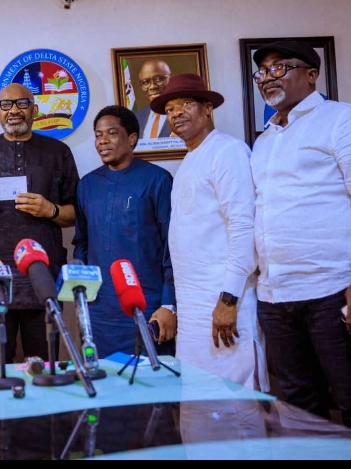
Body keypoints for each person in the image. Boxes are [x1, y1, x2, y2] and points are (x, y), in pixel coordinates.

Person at [250, 39, 351, 427]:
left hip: (331, 290)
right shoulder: (263, 141)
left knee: (348, 394)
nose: (268, 78)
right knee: (299, 405)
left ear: (312, 75)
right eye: (263, 71)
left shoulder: (339, 120)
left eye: (279, 68)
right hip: (274, 296)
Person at [150, 73, 269, 391]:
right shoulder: (190, 160)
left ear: (207, 108)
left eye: (186, 104)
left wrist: (228, 300)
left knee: (236, 399)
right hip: (193, 306)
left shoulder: (227, 151)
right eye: (170, 109)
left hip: (225, 301)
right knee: (200, 397)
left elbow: (243, 226)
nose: (176, 113)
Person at [0, 82, 80, 365]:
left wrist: (50, 209)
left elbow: (75, 214)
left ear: (34, 110)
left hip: (41, 278)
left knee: (44, 365)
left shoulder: (58, 152)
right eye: (6, 105)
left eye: (22, 103)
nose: (14, 111)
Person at [72, 105, 176, 358]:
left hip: (147, 304)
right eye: (98, 135)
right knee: (103, 376)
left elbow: (172, 247)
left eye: (112, 133)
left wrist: (169, 303)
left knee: (151, 377)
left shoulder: (157, 180)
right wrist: (82, 298)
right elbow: (82, 242)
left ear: (131, 138)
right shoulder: (87, 185)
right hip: (100, 310)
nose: (102, 141)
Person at [134, 59, 173, 140]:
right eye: (145, 82)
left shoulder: (183, 114)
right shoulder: (136, 117)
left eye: (159, 79)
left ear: (171, 79)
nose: (152, 86)